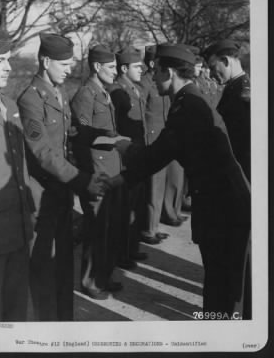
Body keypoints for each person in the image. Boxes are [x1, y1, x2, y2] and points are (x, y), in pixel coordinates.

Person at [106, 43, 251, 319]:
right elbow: (161, 154)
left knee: (222, 288)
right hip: (225, 204)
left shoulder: (188, 108)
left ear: (169, 72)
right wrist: (121, 177)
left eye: (156, 70)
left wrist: (125, 152)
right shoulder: (189, 100)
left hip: (224, 208)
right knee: (221, 283)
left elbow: (156, 156)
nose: (153, 75)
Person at [17, 33, 106, 321]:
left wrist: (106, 136)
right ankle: (47, 332)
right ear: (45, 61)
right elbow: (43, 151)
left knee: (64, 263)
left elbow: (71, 134)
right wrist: (81, 180)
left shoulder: (58, 91)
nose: (69, 70)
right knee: (44, 269)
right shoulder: (30, 99)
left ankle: (64, 324)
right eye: (64, 64)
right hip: (43, 197)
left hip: (62, 191)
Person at [70, 45, 123, 299]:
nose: (115, 71)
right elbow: (81, 139)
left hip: (110, 169)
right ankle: (90, 280)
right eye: (111, 67)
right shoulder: (85, 95)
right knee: (96, 227)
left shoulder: (103, 92)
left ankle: (103, 275)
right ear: (97, 67)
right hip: (96, 170)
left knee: (108, 226)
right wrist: (88, 176)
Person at [0, 28, 34, 321]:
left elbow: (22, 168)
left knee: (17, 315)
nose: (8, 67)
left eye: (8, 59)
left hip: (19, 227)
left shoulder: (10, 105)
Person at [140, 45, 186, 245]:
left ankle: (156, 224)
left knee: (165, 184)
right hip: (152, 138)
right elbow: (140, 114)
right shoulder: (145, 83)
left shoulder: (163, 82)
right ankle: (149, 229)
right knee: (154, 187)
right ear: (151, 62)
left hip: (166, 137)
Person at [108, 46, 147, 269]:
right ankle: (122, 254)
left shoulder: (134, 88)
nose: (141, 69)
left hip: (137, 154)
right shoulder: (117, 92)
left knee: (135, 206)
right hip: (126, 156)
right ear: (124, 68)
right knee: (124, 209)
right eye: (136, 66)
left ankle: (131, 249)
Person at [203, 39, 251, 181]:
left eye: (212, 68)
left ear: (225, 61)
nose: (211, 75)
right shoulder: (234, 87)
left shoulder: (242, 91)